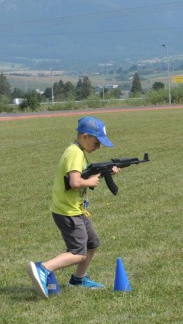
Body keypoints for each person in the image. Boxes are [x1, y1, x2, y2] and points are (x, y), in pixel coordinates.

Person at [27, 116, 120, 298]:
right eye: (96, 142)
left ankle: (78, 279)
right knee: (78, 253)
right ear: (85, 136)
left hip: (75, 209)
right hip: (67, 211)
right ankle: (43, 268)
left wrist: (104, 173)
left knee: (92, 243)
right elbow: (75, 182)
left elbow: (81, 178)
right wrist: (90, 182)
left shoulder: (78, 151)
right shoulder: (75, 153)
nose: (98, 147)